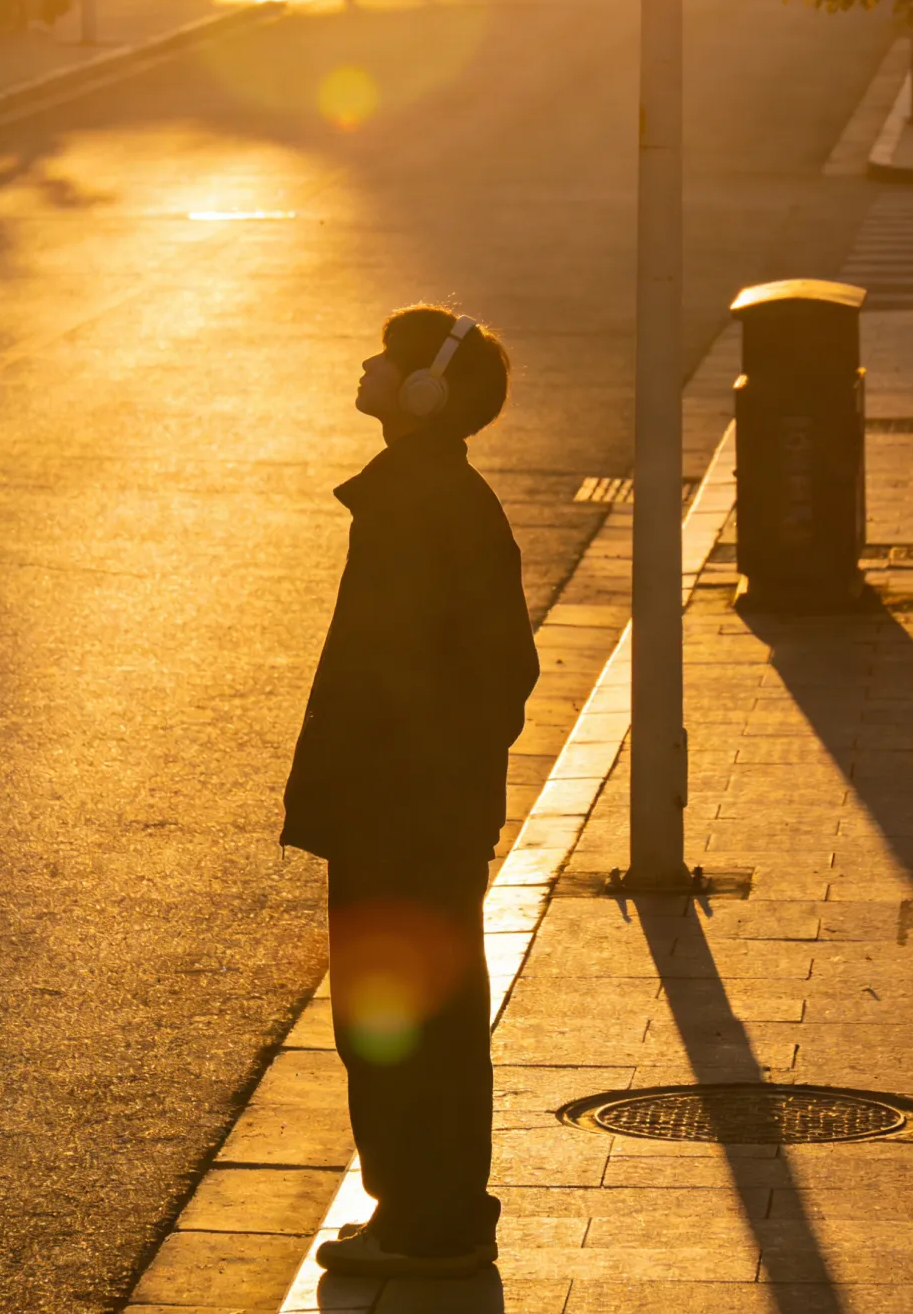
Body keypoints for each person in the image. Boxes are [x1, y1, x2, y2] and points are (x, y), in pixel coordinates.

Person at [280, 305, 539, 1279]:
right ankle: (428, 1212)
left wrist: (412, 782)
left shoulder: (428, 505)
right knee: (414, 1015)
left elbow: (490, 667)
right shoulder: (425, 495)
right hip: (409, 809)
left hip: (404, 816)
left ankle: (423, 1225)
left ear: (425, 392)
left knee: (398, 1019)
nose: (364, 363)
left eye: (385, 358)